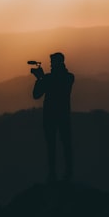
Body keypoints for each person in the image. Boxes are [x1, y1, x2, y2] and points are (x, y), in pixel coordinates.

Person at [32, 52, 74, 182]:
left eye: (52, 63)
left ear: (57, 63)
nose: (50, 65)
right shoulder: (69, 77)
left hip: (50, 116)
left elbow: (36, 94)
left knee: (52, 146)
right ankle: (67, 173)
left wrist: (40, 78)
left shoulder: (52, 78)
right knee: (65, 144)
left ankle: (53, 175)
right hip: (63, 116)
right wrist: (43, 78)